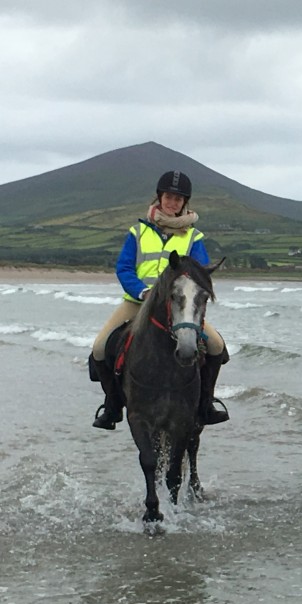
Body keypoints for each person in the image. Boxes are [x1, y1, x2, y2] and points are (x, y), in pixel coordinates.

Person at [88, 170, 230, 429]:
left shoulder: (194, 237)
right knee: (99, 348)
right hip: (138, 302)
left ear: (184, 203)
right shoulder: (138, 231)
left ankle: (206, 404)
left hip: (179, 307)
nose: (172, 203)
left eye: (178, 199)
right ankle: (112, 407)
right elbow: (124, 268)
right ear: (160, 197)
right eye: (168, 197)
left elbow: (199, 271)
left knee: (217, 346)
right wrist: (141, 291)